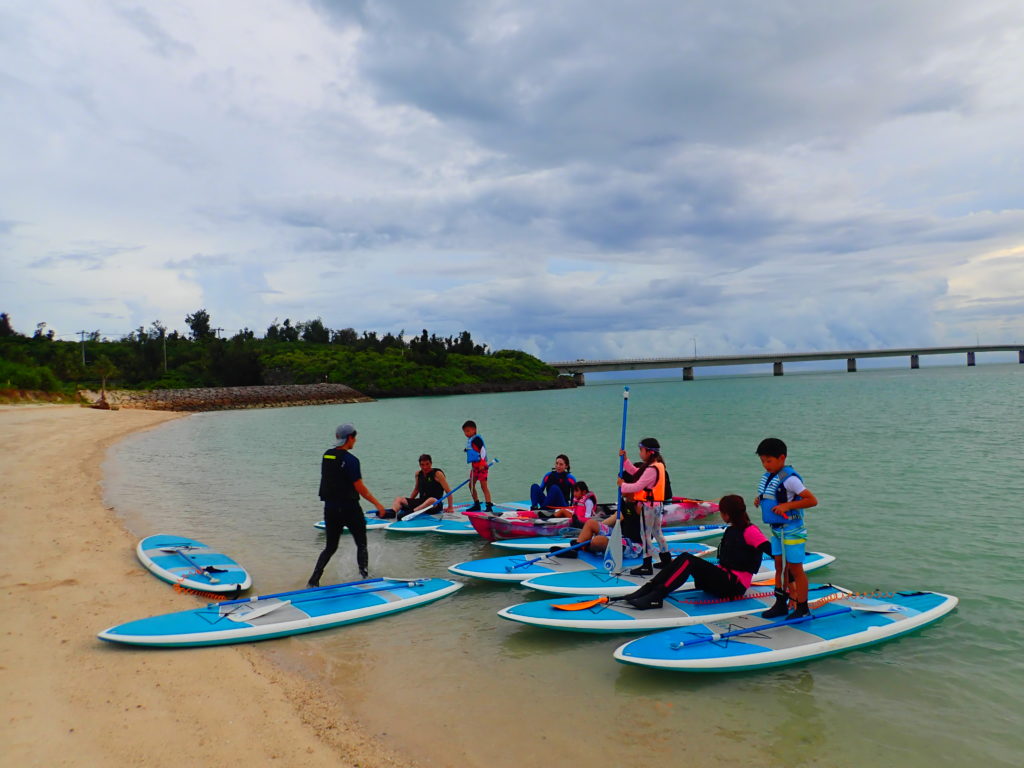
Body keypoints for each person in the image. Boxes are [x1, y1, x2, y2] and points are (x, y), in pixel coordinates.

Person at [622, 494, 771, 609]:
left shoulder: (750, 531)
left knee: (688, 560)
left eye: (722, 512)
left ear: (729, 514)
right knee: (683, 558)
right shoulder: (733, 529)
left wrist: (789, 580)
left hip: (733, 586)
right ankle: (648, 589)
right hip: (723, 579)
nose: (721, 515)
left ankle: (656, 596)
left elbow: (772, 551)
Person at [307, 423, 386, 587]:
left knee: (330, 547)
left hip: (330, 509)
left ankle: (314, 580)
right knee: (361, 544)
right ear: (349, 438)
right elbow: (360, 488)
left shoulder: (326, 455)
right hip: (350, 509)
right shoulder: (351, 460)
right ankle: (364, 576)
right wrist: (378, 505)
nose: (355, 441)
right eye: (354, 437)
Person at [753, 437, 819, 619]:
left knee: (795, 569)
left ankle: (802, 607)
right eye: (763, 461)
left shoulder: (790, 480)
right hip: (777, 530)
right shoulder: (770, 477)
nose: (766, 465)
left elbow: (812, 500)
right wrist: (760, 500)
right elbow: (772, 496)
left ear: (782, 458)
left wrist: (787, 507)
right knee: (778, 566)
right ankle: (781, 602)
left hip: (792, 531)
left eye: (769, 461)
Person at [618, 437, 671, 575]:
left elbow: (638, 485)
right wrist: (625, 461)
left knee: (645, 535)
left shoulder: (652, 469)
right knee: (657, 533)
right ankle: (666, 560)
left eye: (641, 450)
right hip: (656, 505)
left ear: (649, 452)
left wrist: (622, 485)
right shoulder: (656, 465)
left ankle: (646, 565)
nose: (640, 453)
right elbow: (636, 472)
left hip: (649, 507)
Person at [384, 454, 454, 519]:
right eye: (422, 465)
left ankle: (412, 512)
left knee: (431, 500)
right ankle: (392, 513)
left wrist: (450, 507)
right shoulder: (418, 474)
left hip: (435, 504)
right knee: (399, 499)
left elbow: (448, 491)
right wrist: (409, 502)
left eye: (427, 464)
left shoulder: (437, 474)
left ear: (431, 463)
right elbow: (416, 490)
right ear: (419, 465)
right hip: (421, 503)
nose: (425, 467)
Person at [462, 420, 493, 513]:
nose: (466, 433)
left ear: (474, 430)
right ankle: (476, 504)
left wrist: (482, 463)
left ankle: (488, 506)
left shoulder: (476, 439)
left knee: (484, 486)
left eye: (468, 431)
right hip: (474, 468)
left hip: (481, 467)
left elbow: (483, 450)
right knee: (471, 485)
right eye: (465, 432)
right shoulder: (470, 440)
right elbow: (473, 450)